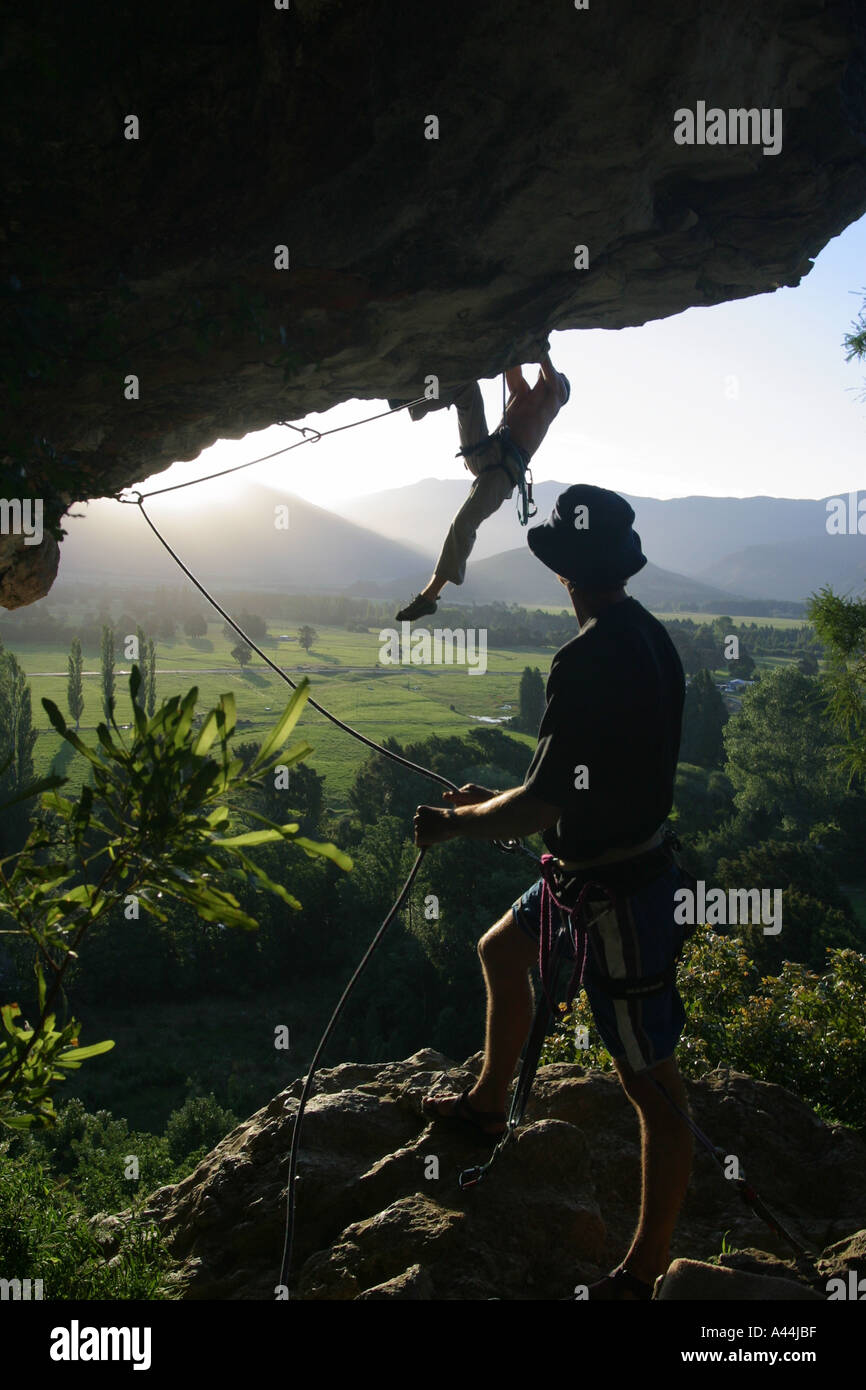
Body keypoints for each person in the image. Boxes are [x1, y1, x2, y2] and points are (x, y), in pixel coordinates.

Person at [413, 484, 694, 1301]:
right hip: (601, 871)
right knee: (502, 948)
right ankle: (490, 1103)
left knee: (651, 1083)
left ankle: (642, 1274)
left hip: (617, 891)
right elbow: (567, 785)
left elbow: (540, 805)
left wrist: (455, 825)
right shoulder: (645, 637)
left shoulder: (587, 656)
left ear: (566, 575)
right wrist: (488, 809)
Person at [395, 354, 570, 622]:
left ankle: (429, 597)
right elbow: (512, 363)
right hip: (484, 451)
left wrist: (538, 347)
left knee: (464, 523)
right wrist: (516, 344)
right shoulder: (522, 393)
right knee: (468, 390)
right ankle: (416, 405)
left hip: (502, 472)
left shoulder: (555, 397)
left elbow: (550, 374)